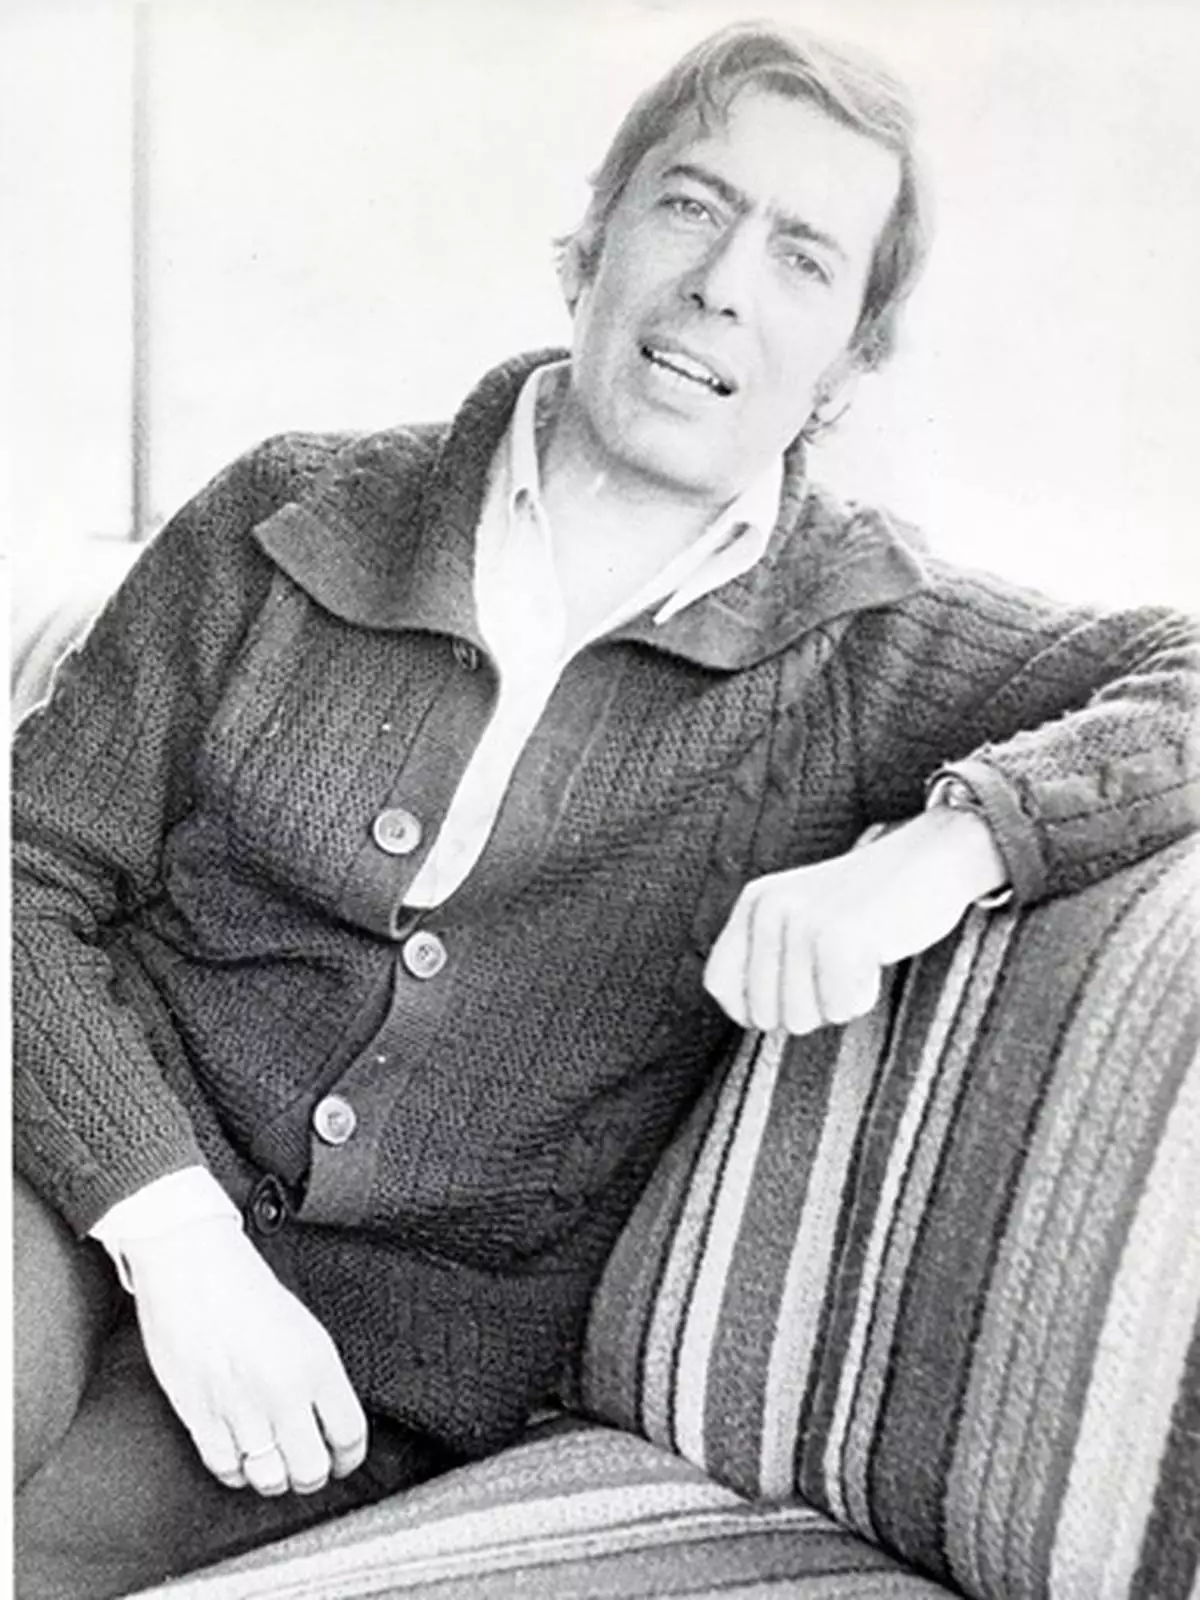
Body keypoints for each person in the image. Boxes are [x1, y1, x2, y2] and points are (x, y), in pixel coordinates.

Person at [13, 18, 1198, 1598]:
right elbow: (25, 874)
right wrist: (173, 1235)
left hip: (356, 1366)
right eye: (692, 204)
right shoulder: (286, 514)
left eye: (803, 258)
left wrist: (948, 848)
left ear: (849, 361)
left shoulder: (866, 643)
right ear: (591, 243)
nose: (722, 283)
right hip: (59, 1175)